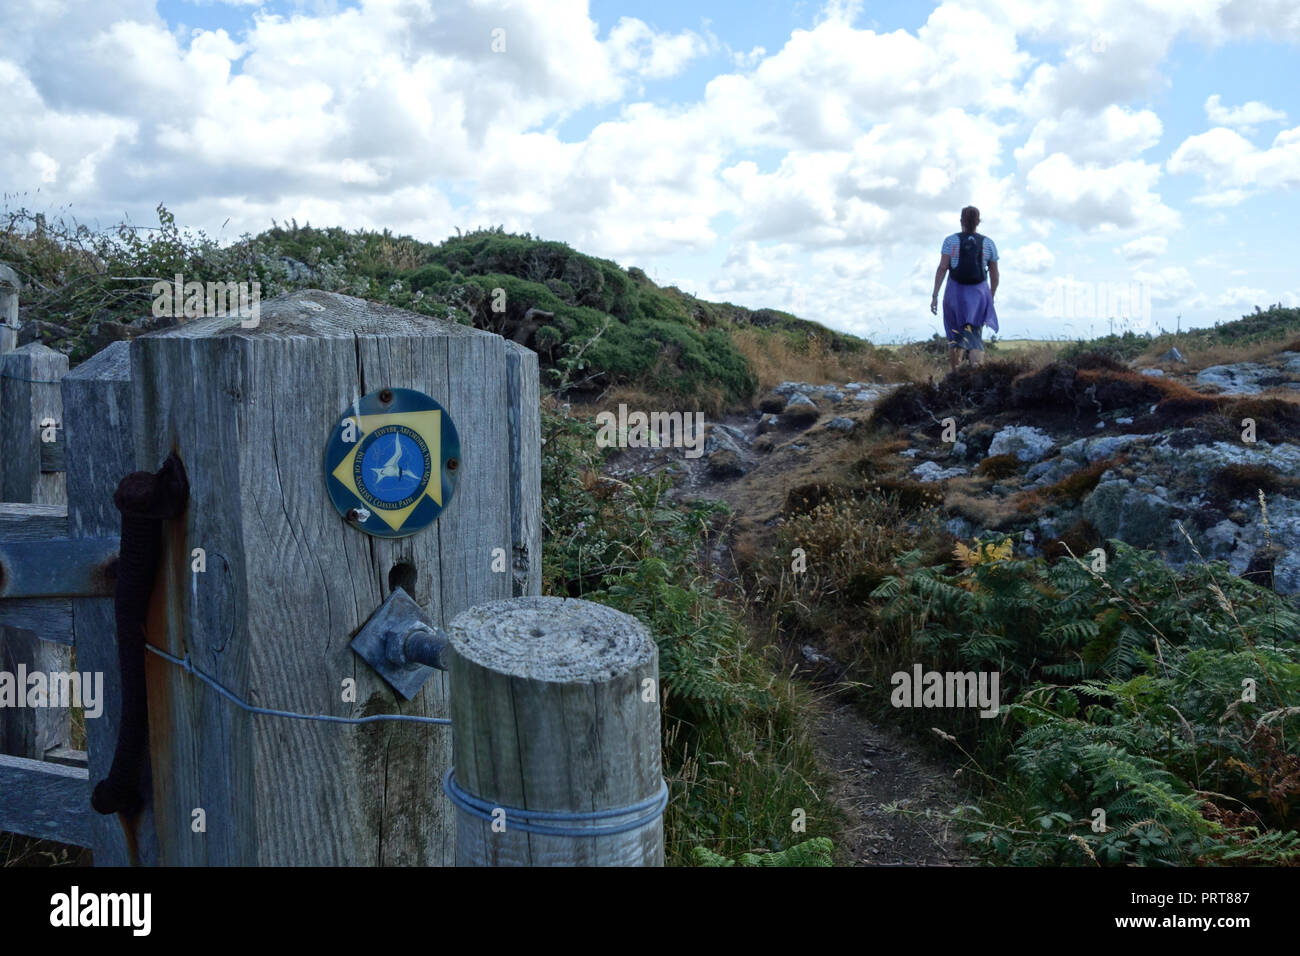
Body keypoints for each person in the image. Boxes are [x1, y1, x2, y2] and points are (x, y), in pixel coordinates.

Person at [930, 206, 999, 371]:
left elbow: (942, 268)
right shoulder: (988, 243)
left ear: (961, 221)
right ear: (978, 222)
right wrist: (990, 298)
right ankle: (976, 376)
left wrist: (935, 295)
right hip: (979, 295)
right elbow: (995, 276)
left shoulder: (950, 241)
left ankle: (956, 377)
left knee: (955, 337)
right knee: (974, 336)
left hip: (955, 294)